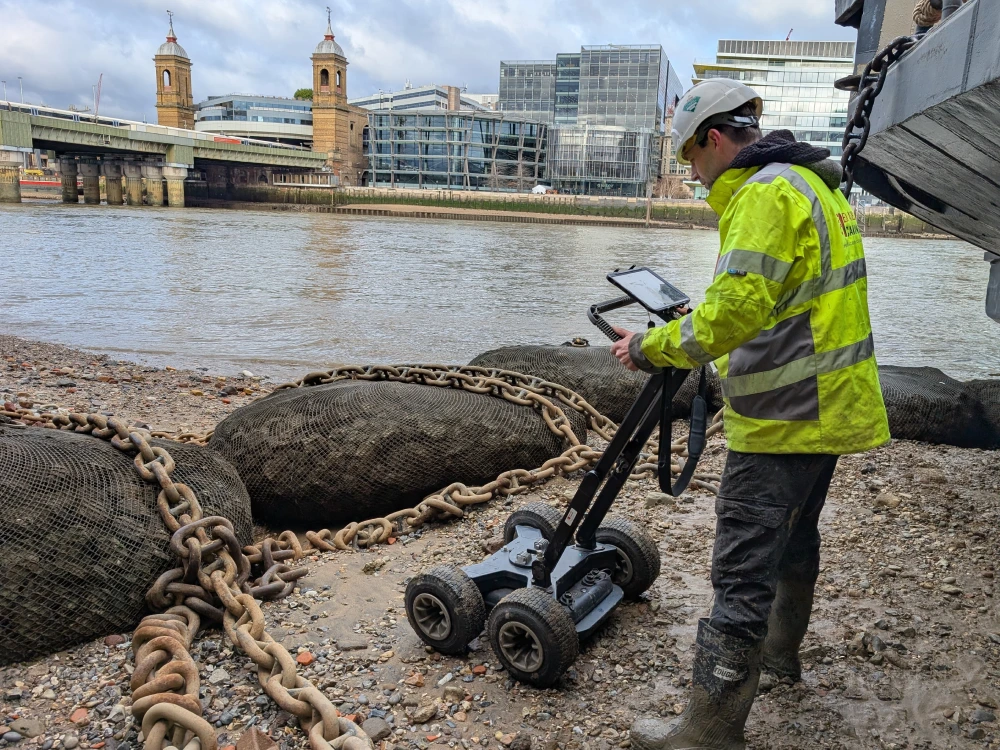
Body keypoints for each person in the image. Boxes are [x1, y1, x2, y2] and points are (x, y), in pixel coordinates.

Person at [611, 79, 890, 750]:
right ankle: (777, 659)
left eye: (689, 158)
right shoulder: (813, 185)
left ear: (712, 139)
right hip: (828, 409)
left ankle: (708, 731)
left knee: (740, 571)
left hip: (784, 418)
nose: (692, 173)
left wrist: (651, 347)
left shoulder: (763, 194)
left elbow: (734, 312)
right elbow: (779, 300)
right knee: (795, 541)